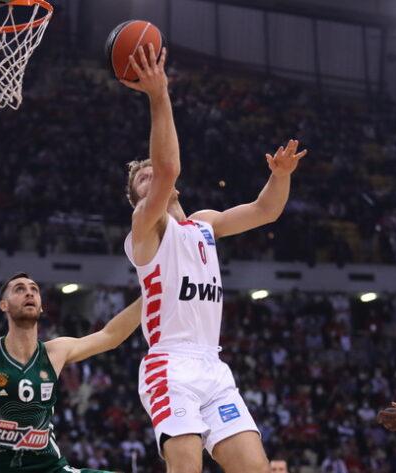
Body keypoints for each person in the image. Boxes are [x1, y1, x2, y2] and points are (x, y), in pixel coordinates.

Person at [121, 43, 307, 473]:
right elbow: (168, 169)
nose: (153, 178)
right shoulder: (144, 229)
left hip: (212, 364)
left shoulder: (203, 224)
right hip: (169, 364)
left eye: (152, 173)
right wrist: (159, 94)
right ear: (137, 199)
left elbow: (265, 211)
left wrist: (279, 177)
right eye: (143, 180)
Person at [0, 272, 142, 472]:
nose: (29, 293)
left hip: (50, 468)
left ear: (41, 306)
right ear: (3, 305)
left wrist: (151, 294)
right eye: (19, 289)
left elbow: (110, 336)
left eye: (34, 289)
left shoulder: (55, 352)